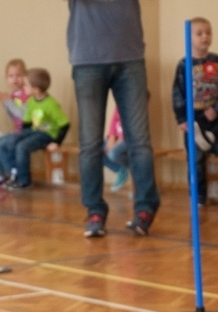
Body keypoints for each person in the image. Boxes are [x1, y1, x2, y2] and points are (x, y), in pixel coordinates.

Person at [67, 0, 161, 238]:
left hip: (130, 56)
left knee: (139, 141)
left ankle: (145, 208)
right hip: (87, 58)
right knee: (90, 144)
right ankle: (95, 210)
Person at [171, 16, 218, 207]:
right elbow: (177, 93)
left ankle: (209, 138)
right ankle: (199, 196)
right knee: (195, 159)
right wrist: (181, 119)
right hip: (194, 121)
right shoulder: (184, 64)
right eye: (199, 33)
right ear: (189, 38)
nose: (205, 36)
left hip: (214, 119)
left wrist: (217, 108)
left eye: (208, 32)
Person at [0, 68, 69, 191]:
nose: (23, 86)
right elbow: (27, 122)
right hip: (34, 131)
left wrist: (56, 142)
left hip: (47, 135)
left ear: (35, 89)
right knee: (8, 141)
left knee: (22, 147)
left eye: (26, 85)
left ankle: (24, 180)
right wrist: (18, 136)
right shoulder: (31, 101)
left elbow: (64, 124)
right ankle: (13, 174)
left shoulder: (51, 104)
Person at [0, 58, 29, 134]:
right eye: (11, 76)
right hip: (18, 130)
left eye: (19, 75)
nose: (15, 79)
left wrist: (8, 102)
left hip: (28, 130)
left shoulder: (27, 93)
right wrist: (4, 103)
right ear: (6, 79)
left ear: (25, 77)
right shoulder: (12, 95)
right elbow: (13, 117)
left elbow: (24, 117)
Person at [104, 106, 129, 192]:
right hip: (117, 138)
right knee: (95, 150)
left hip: (129, 140)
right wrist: (111, 138)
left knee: (112, 153)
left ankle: (126, 167)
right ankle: (121, 169)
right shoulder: (119, 104)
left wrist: (120, 139)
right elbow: (113, 122)